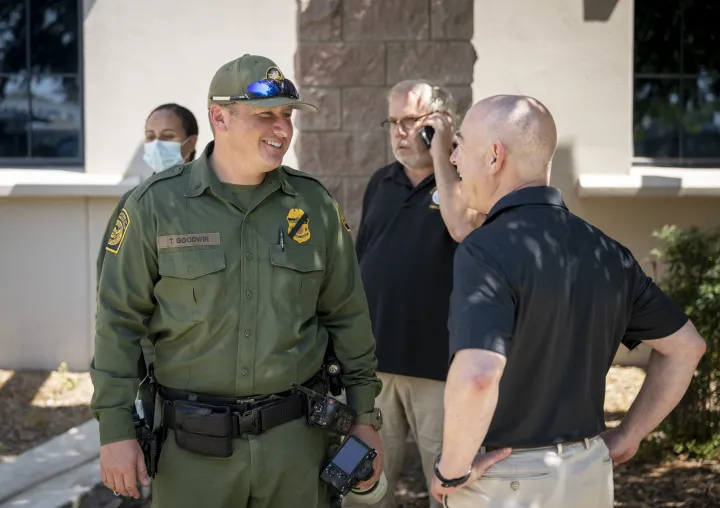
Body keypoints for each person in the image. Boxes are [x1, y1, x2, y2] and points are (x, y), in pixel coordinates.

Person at [90, 54, 384, 508]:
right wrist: (114, 429)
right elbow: (118, 322)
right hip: (192, 454)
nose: (282, 128)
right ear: (218, 118)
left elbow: (348, 316)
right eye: (265, 114)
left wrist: (365, 418)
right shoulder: (154, 206)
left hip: (296, 449)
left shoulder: (314, 205)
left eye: (287, 115)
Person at [428, 94, 707, 507]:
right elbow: (686, 347)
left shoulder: (483, 249)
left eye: (460, 145)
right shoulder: (609, 252)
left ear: (493, 157)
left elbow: (478, 375)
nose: (452, 159)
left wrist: (450, 470)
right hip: (588, 477)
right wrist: (629, 436)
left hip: (505, 482)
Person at [349, 80, 483, 508]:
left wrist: (444, 154)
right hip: (374, 368)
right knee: (364, 486)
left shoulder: (466, 183)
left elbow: (463, 227)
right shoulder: (380, 182)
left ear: (440, 124)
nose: (399, 132)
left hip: (438, 370)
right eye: (393, 122)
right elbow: (361, 261)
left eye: (411, 121)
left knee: (450, 491)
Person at [95, 103, 199, 370]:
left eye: (167, 137)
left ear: (191, 143)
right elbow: (113, 289)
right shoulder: (135, 203)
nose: (156, 145)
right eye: (150, 137)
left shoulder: (212, 201)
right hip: (157, 361)